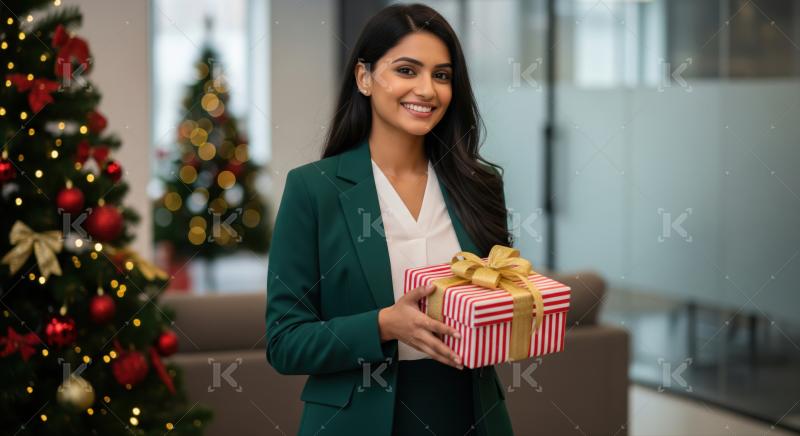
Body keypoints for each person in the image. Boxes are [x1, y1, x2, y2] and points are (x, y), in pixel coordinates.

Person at [265, 3, 514, 435]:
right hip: (358, 419)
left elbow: (497, 296)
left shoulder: (480, 184)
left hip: (468, 413)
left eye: (441, 75)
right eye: (406, 70)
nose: (427, 90)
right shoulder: (314, 190)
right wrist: (381, 325)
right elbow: (285, 342)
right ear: (364, 78)